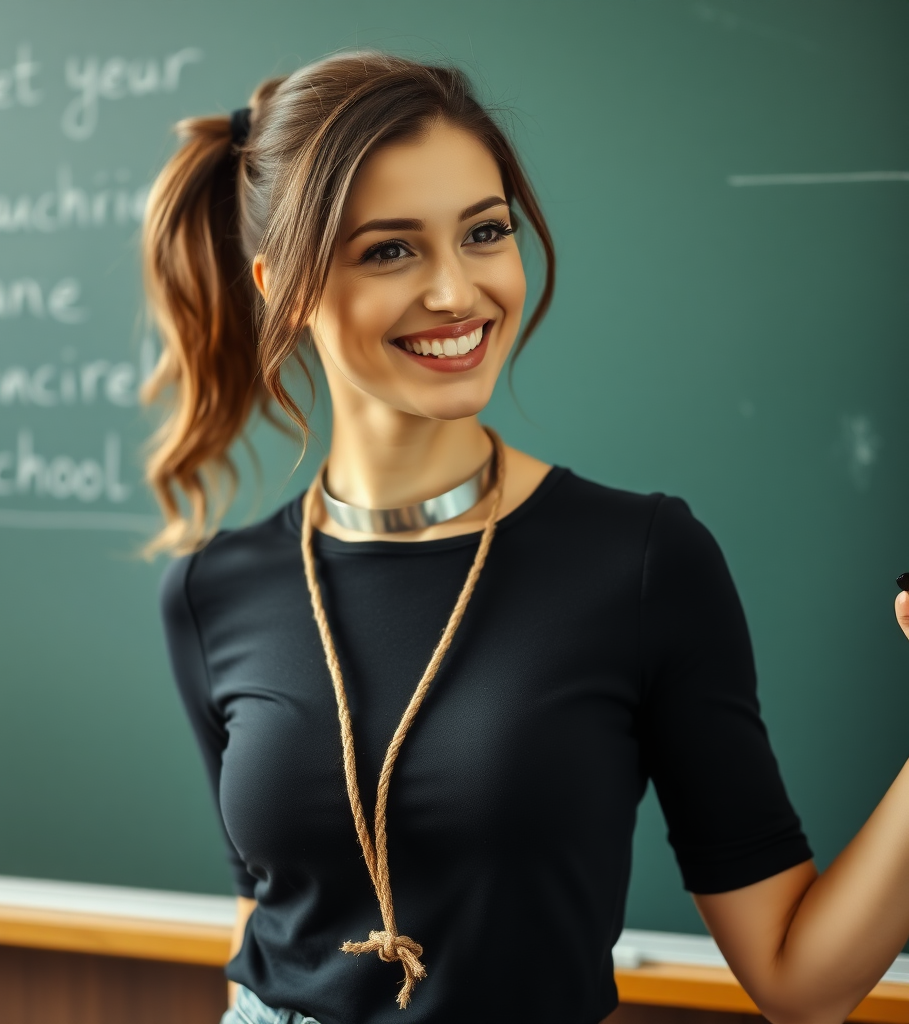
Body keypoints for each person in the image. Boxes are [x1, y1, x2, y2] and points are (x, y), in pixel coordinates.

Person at [143, 51, 909, 1024]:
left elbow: (802, 982)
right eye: (390, 249)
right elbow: (275, 918)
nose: (457, 292)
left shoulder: (638, 561)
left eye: (485, 232)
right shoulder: (216, 591)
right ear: (282, 285)